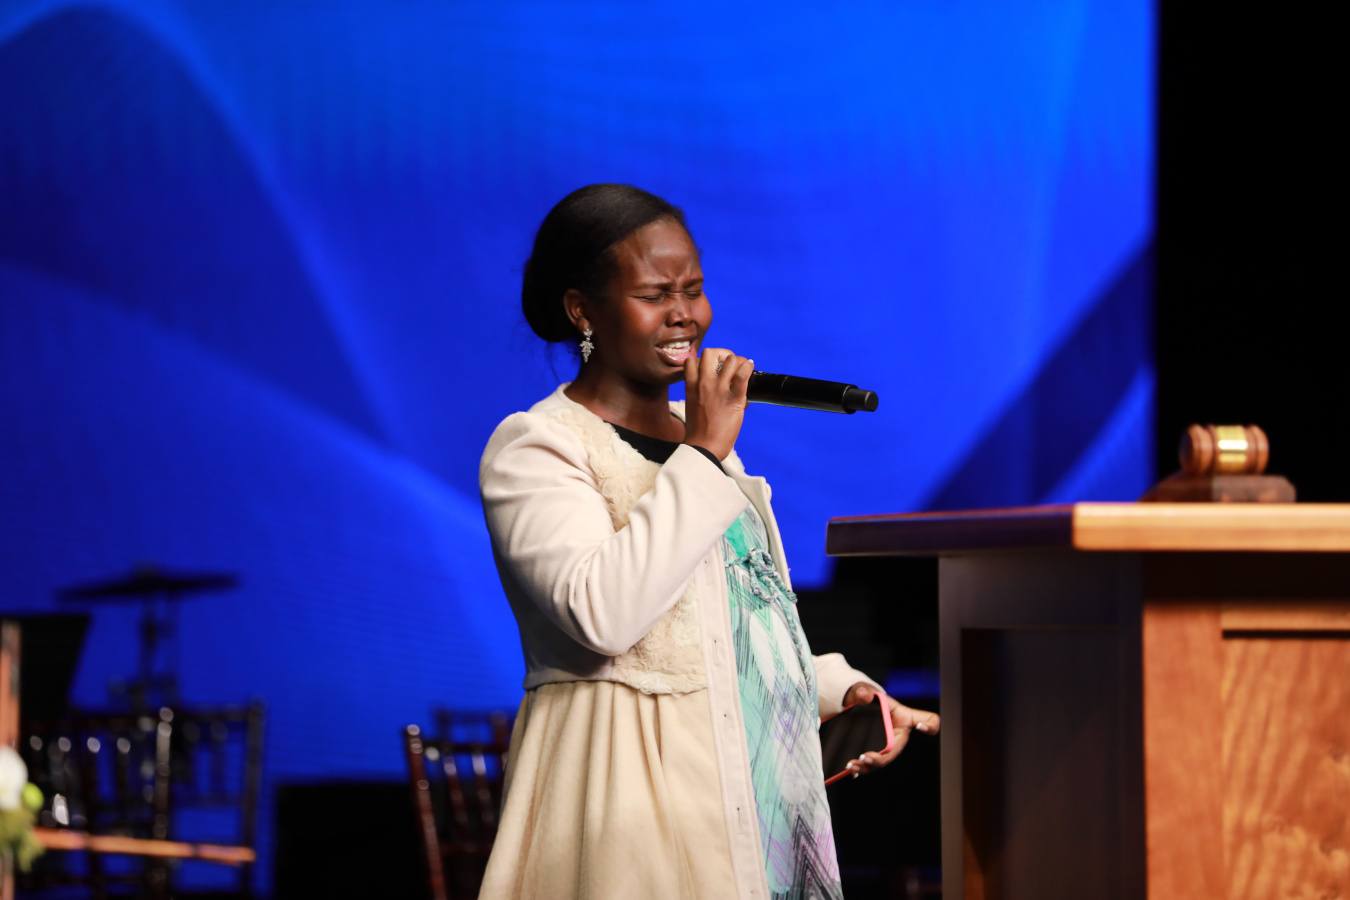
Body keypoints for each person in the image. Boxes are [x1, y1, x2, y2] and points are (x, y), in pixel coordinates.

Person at [477, 184, 938, 900]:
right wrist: (703, 452)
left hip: (749, 801)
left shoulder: (709, 454)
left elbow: (731, 631)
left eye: (693, 289)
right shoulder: (539, 447)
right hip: (628, 801)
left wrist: (841, 688)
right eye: (655, 294)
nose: (684, 314)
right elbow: (603, 616)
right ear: (581, 310)